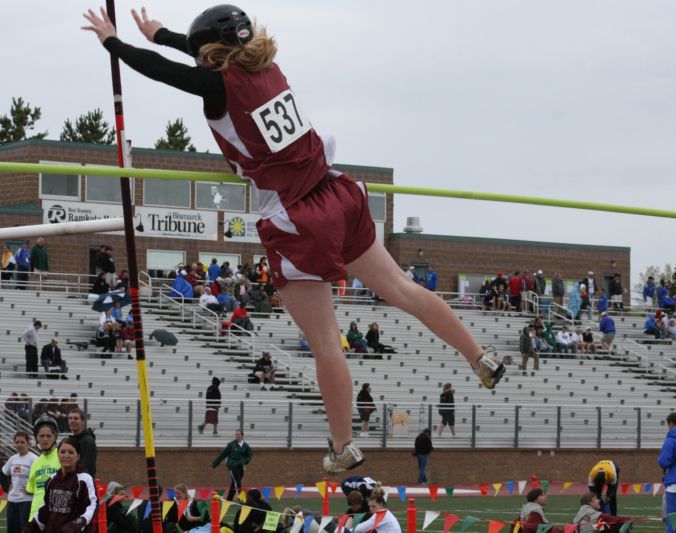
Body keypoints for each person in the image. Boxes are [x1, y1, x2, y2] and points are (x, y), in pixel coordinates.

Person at [83, 5, 504, 473]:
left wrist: (112, 43)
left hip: (298, 215)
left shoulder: (218, 83)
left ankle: (344, 445)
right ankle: (479, 356)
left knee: (325, 339)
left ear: (210, 54)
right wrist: (160, 32)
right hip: (337, 192)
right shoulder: (267, 65)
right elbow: (198, 55)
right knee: (405, 291)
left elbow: (166, 72)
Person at [25, 436, 97, 533]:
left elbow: (91, 507)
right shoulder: (51, 479)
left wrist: (73, 526)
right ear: (58, 455)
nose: (66, 455)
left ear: (78, 456)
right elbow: (45, 509)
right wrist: (31, 527)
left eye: (71, 452)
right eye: (62, 452)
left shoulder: (84, 479)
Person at [26, 417, 61, 521]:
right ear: (36, 438)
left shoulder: (62, 457)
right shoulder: (35, 462)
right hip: (35, 517)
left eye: (48, 436)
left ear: (55, 438)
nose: (45, 439)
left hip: (56, 516)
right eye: (41, 436)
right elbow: (31, 489)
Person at [3, 431, 35, 533]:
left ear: (28, 443)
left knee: (24, 529)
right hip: (12, 500)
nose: (19, 445)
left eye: (22, 442)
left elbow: (40, 479)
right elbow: (3, 473)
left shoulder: (34, 459)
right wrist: (6, 486)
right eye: (17, 442)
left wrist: (31, 490)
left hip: (26, 501)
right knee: (12, 530)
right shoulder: (12, 459)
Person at [212, 428, 253, 501]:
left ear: (242, 436)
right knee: (237, 482)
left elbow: (249, 456)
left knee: (234, 483)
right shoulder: (231, 444)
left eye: (239, 435)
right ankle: (240, 499)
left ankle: (229, 500)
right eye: (236, 435)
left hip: (241, 467)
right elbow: (223, 454)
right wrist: (215, 463)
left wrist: (245, 461)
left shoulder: (246, 446)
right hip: (232, 466)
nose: (237, 436)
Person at [68, 409, 97, 478]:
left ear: (82, 422)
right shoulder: (71, 440)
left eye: (76, 418)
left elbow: (88, 467)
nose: (72, 421)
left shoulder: (88, 441)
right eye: (70, 418)